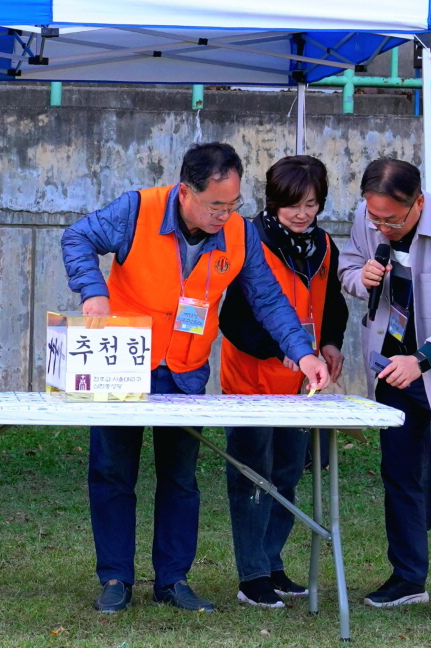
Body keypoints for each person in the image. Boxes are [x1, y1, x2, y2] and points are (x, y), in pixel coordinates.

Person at [61, 142, 329, 614]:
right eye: (215, 205)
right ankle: (116, 579)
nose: (225, 215)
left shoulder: (240, 233)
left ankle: (173, 579)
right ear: (185, 192)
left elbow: (268, 299)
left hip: (185, 371)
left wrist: (302, 353)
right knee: (112, 472)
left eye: (233, 204)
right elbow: (77, 237)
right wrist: (92, 290)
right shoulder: (137, 209)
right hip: (122, 363)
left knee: (181, 478)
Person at [339, 158, 431, 625]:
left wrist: (421, 360)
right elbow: (346, 269)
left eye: (391, 220)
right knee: (400, 475)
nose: (380, 227)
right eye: (374, 218)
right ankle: (407, 578)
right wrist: (359, 278)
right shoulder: (368, 218)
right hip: (391, 369)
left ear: (417, 203)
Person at [217, 155, 348, 608]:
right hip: (252, 379)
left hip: (302, 386)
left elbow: (332, 303)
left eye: (312, 204)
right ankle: (252, 575)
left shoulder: (323, 245)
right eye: (293, 204)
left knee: (288, 474)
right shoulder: (248, 239)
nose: (302, 214)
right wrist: (284, 352)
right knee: (252, 477)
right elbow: (233, 319)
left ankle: (272, 564)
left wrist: (330, 343)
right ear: (273, 201)